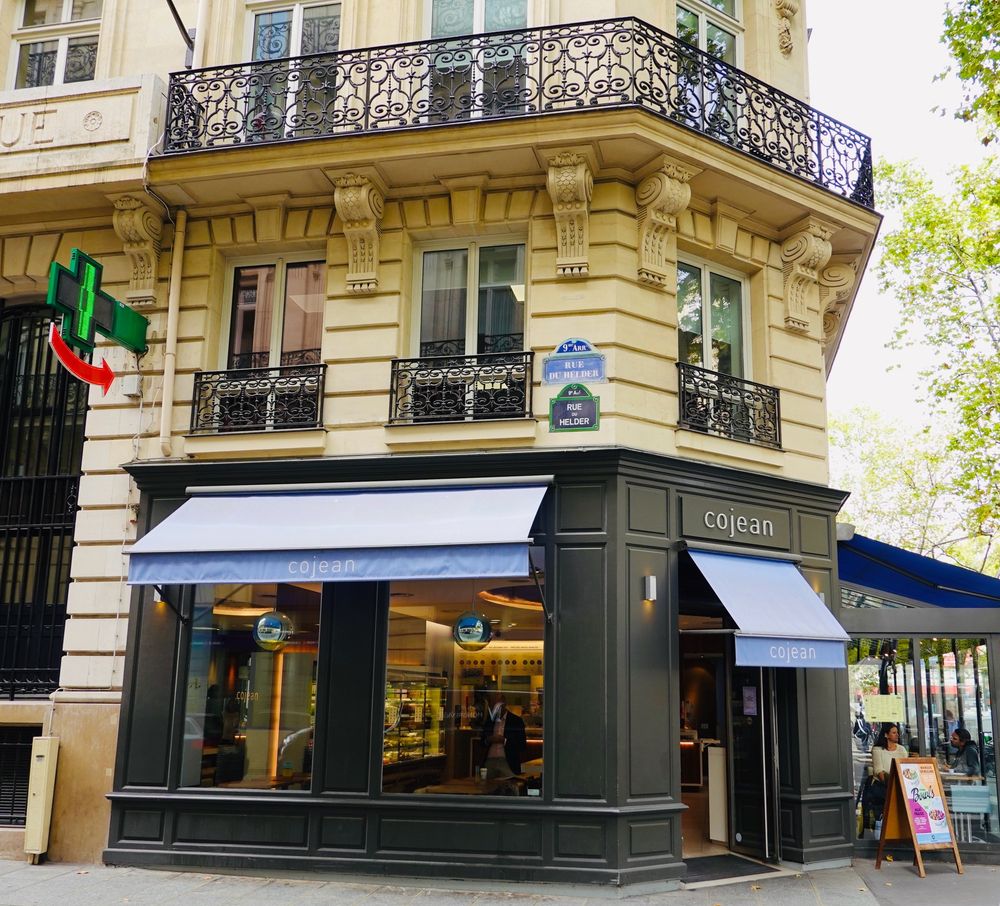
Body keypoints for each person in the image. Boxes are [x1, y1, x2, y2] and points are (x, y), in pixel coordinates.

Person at [480, 692, 526, 780]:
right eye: (492, 705)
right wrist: (488, 740)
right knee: (486, 784)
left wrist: (504, 740)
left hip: (507, 761)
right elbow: (482, 741)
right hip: (490, 761)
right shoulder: (490, 721)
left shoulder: (516, 721)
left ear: (504, 704)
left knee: (510, 784)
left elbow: (522, 745)